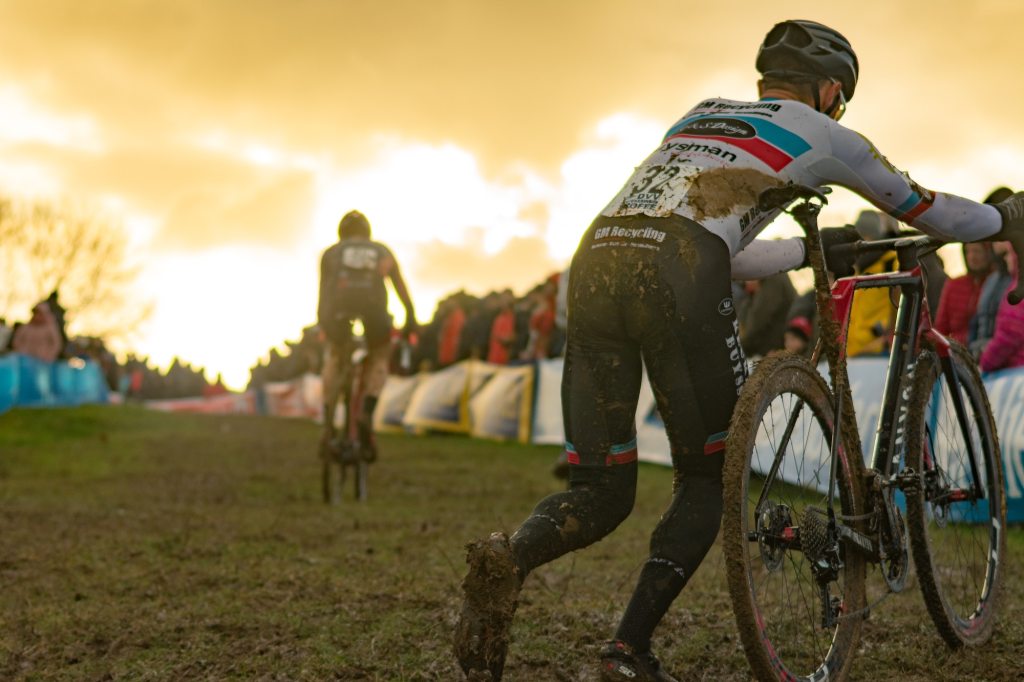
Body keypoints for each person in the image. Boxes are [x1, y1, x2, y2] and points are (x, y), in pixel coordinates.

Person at [454, 19, 1024, 681]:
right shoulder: (828, 133)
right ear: (833, 89)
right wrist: (1005, 219)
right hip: (679, 266)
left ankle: (509, 558)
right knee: (705, 481)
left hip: (598, 258)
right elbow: (931, 212)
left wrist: (809, 251)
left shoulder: (702, 115)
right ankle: (625, 652)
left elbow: (710, 241)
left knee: (600, 490)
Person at [317, 210, 416, 461]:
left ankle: (328, 417)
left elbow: (323, 295)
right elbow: (400, 288)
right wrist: (410, 317)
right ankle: (367, 412)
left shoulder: (331, 253)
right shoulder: (381, 250)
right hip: (374, 310)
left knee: (335, 355)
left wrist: (325, 325)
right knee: (380, 356)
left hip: (338, 309)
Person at [934, 242, 997, 344]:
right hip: (957, 351)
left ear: (988, 254)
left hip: (985, 349)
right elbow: (941, 326)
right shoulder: (954, 285)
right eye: (968, 251)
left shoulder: (996, 284)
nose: (972, 256)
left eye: (977, 251)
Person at [736, 272, 796, 357]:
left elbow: (758, 319)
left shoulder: (773, 279)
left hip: (773, 350)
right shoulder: (774, 275)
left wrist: (740, 348)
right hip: (773, 348)